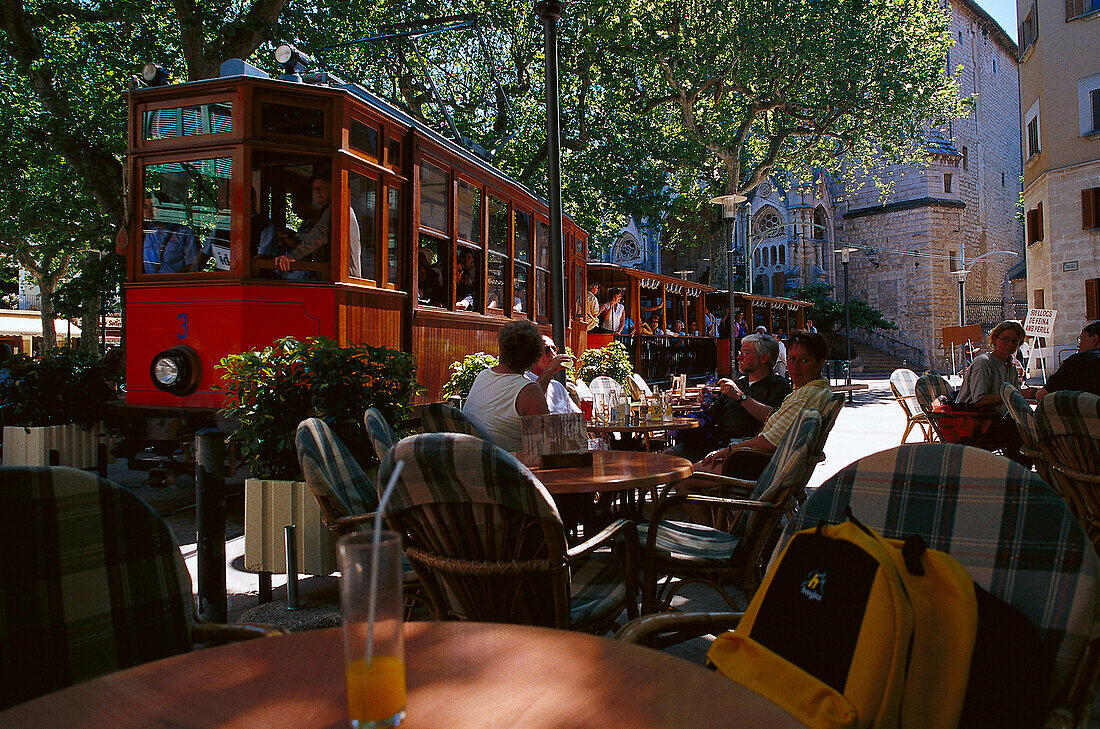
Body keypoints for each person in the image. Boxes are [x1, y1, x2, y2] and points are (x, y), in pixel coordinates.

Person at [690, 330, 832, 481]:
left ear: (820, 363)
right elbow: (713, 413)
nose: (794, 367)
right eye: (791, 360)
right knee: (672, 458)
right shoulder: (805, 392)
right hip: (734, 450)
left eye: (804, 360)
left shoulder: (800, 394)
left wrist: (727, 450)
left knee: (681, 475)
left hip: (754, 464)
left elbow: (768, 442)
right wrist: (705, 403)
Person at [665, 333, 791, 461]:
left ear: (763, 358)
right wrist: (706, 403)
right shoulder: (738, 383)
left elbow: (775, 418)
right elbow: (713, 414)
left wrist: (740, 397)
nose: (739, 357)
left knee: (686, 471)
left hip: (746, 450)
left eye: (746, 353)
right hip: (716, 442)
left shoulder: (779, 385)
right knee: (668, 456)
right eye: (740, 352)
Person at [463, 320, 566, 452]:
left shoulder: (483, 376)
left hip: (481, 460)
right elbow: (548, 445)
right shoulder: (528, 390)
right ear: (535, 357)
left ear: (502, 350)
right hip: (513, 467)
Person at [954, 320, 1037, 464]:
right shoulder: (983, 362)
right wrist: (1016, 395)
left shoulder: (1010, 366)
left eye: (1015, 341)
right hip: (974, 423)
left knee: (1033, 424)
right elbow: (979, 400)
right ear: (994, 339)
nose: (1010, 344)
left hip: (994, 420)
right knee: (1020, 431)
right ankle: (1017, 475)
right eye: (1005, 339)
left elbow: (1014, 398)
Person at [275, 177, 361, 278]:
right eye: (315, 189)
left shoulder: (338, 208)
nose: (317, 192)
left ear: (331, 190)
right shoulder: (325, 211)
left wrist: (293, 256)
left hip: (344, 276)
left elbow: (319, 234)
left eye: (321, 187)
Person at [1035, 321, 1100, 400]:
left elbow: (1042, 395)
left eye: (1081, 339)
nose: (1078, 345)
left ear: (1094, 339)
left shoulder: (1077, 362)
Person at [142, 192, 200, 274]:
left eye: (152, 206)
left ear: (164, 208)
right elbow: (121, 249)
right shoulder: (144, 232)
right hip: (149, 285)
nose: (148, 211)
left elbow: (194, 267)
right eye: (145, 207)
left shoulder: (184, 234)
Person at [527, 335, 581, 414]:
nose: (552, 353)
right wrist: (550, 369)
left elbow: (577, 415)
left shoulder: (557, 386)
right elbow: (534, 401)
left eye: (554, 348)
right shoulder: (525, 381)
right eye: (547, 349)